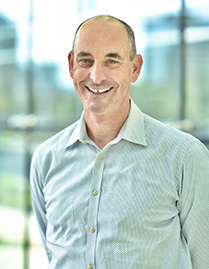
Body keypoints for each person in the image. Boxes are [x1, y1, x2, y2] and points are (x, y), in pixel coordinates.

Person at [30, 15, 209, 269]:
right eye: (85, 60)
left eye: (111, 61)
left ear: (134, 68)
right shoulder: (46, 158)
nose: (96, 76)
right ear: (71, 65)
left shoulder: (184, 156)